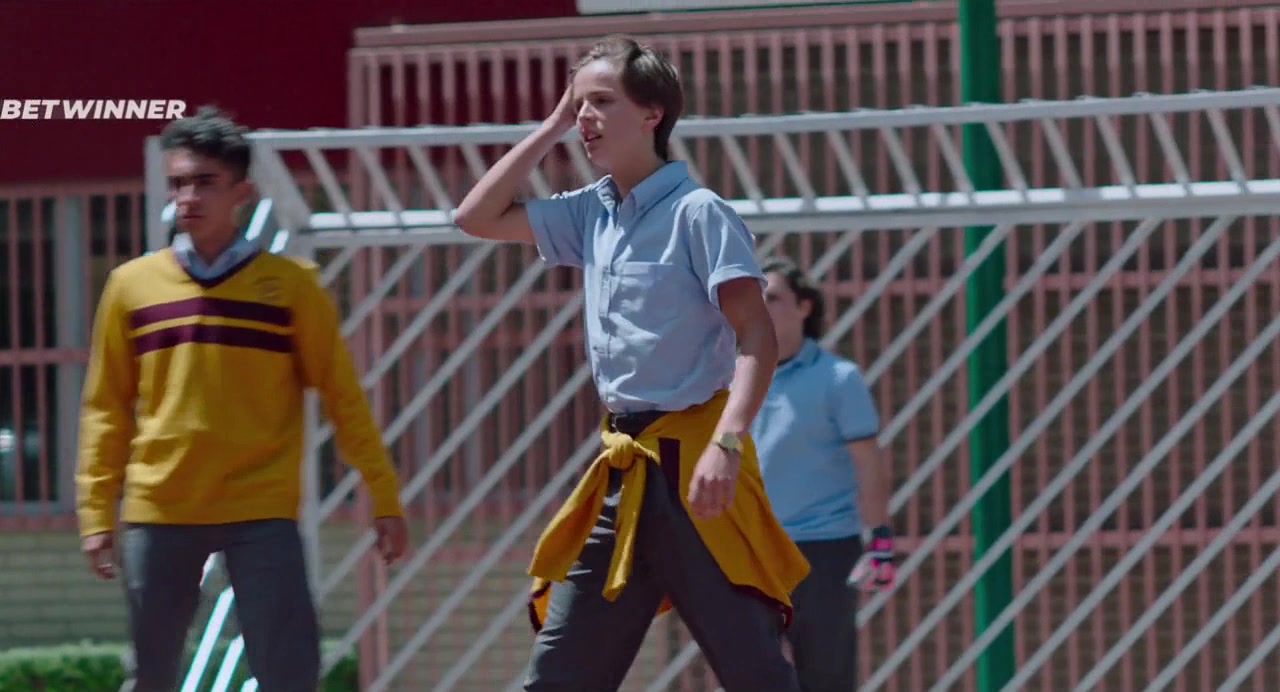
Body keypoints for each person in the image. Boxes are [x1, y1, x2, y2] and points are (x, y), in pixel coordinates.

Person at [453, 34, 809, 692]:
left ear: (652, 113)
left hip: (697, 473)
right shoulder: (592, 211)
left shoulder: (699, 213)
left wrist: (728, 444)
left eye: (601, 101)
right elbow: (474, 217)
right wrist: (551, 126)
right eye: (577, 104)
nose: (585, 117)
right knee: (559, 676)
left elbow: (756, 337)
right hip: (622, 472)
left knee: (756, 672)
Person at [75, 105, 410, 692]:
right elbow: (105, 406)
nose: (189, 197)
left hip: (261, 506)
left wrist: (383, 495)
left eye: (206, 182)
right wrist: (95, 512)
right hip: (161, 504)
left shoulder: (292, 287)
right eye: (179, 183)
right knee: (151, 674)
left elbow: (342, 397)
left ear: (243, 193)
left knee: (289, 671)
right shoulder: (131, 286)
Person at [752, 255, 897, 692]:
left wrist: (881, 540)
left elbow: (868, 463)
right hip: (749, 549)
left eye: (773, 297)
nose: (760, 306)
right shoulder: (730, 378)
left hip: (823, 550)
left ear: (804, 306)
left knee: (826, 676)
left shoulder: (838, 378)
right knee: (747, 675)